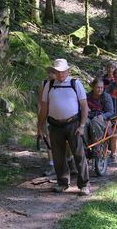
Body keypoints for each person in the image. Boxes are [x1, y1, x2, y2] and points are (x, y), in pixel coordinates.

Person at [37, 58, 91, 196]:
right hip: (54, 125)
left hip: (73, 124)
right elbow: (44, 107)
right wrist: (40, 126)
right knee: (58, 156)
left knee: (79, 155)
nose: (61, 75)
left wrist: (82, 125)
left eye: (63, 72)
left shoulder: (75, 84)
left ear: (68, 71)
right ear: (54, 71)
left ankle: (84, 185)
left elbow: (84, 106)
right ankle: (62, 183)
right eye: (58, 72)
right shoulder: (48, 85)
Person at [85, 77, 115, 149]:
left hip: (103, 120)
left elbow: (111, 112)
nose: (100, 89)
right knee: (84, 122)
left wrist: (103, 116)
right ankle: (85, 145)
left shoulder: (106, 96)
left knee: (95, 120)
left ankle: (97, 147)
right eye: (98, 87)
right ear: (93, 87)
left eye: (101, 87)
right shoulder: (87, 96)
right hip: (89, 117)